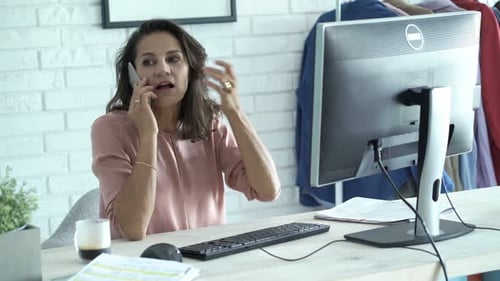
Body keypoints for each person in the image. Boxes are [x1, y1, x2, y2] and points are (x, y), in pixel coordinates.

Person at [91, 19, 281, 241]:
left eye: (173, 59)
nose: (162, 70)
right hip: (143, 267)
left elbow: (267, 191)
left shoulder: (209, 124)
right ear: (133, 75)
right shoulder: (109, 129)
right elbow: (133, 229)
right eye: (149, 62)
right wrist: (148, 135)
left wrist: (235, 112)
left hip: (207, 264)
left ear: (190, 69)